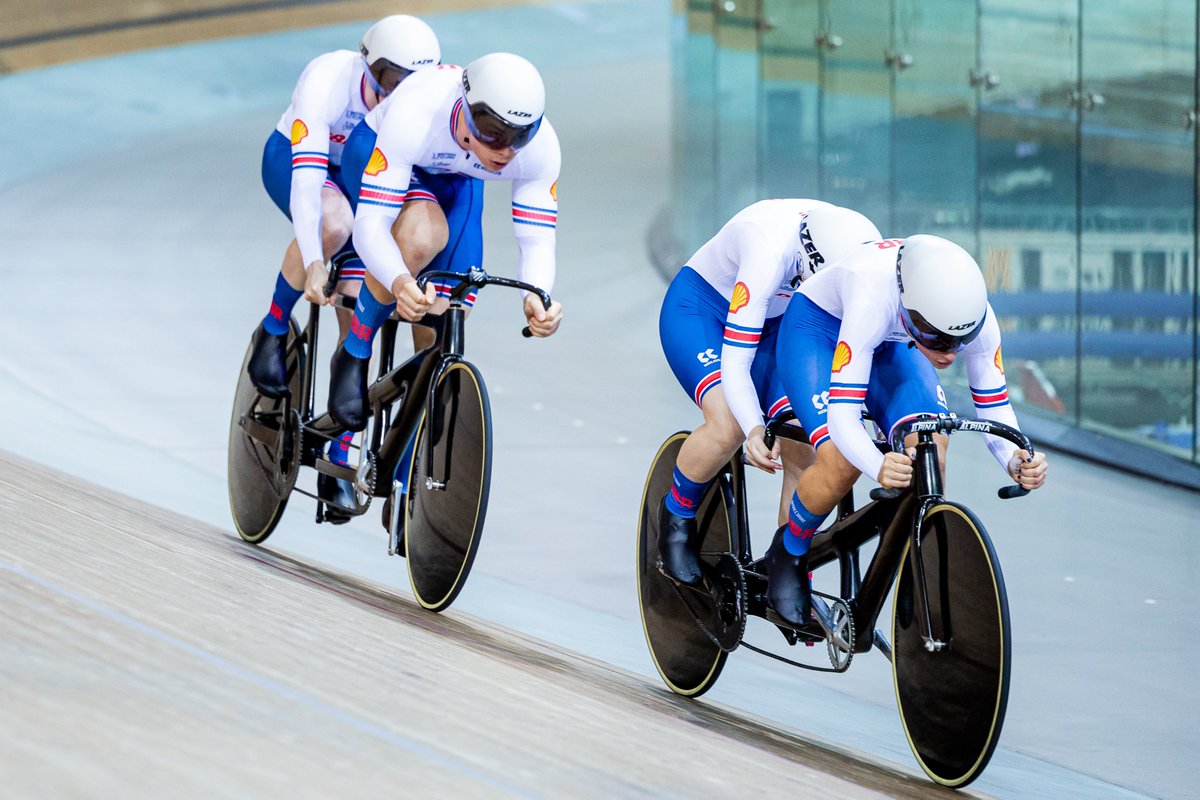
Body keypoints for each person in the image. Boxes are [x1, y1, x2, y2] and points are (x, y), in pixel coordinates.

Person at [770, 233, 1048, 628]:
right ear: (910, 307)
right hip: (821, 332)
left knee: (932, 442)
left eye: (960, 341)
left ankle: (913, 567)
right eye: (938, 339)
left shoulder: (970, 315)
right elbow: (844, 421)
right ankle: (789, 550)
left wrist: (1015, 458)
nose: (949, 353)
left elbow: (994, 403)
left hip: (896, 339)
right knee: (840, 459)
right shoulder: (873, 297)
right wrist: (875, 464)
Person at [246, 14, 441, 519]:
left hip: (362, 178)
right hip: (296, 160)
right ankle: (272, 327)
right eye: (390, 79)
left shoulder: (419, 107)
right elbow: (309, 181)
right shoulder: (328, 80)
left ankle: (338, 453)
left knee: (354, 304)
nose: (399, 92)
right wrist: (314, 261)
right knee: (333, 224)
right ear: (366, 63)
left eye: (411, 83)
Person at [332, 51, 564, 436]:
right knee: (422, 238)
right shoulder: (417, 111)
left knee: (449, 311)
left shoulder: (541, 148)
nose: (506, 151)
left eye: (519, 137)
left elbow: (538, 239)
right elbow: (372, 226)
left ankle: (405, 460)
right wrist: (399, 281)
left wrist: (538, 296)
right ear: (467, 110)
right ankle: (354, 349)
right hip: (378, 148)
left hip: (457, 174)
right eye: (494, 133)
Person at [656, 200, 881, 586]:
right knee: (728, 423)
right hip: (706, 312)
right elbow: (736, 362)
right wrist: (754, 427)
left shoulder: (861, 245)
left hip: (782, 324)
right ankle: (677, 515)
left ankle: (788, 569)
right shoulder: (767, 250)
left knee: (802, 442)